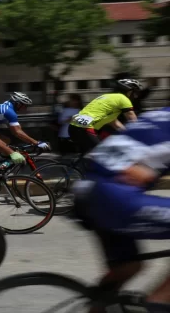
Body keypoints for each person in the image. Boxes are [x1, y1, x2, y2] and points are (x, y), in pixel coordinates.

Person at [73, 107, 170, 312]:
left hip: (87, 190)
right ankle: (160, 304)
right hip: (115, 195)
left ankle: (97, 306)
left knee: (128, 266)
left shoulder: (157, 114)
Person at [68, 79, 141, 155]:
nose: (136, 96)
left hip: (74, 127)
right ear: (130, 91)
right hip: (85, 128)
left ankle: (78, 166)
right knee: (103, 154)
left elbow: (115, 123)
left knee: (100, 152)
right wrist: (140, 136)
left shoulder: (107, 97)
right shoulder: (124, 99)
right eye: (135, 92)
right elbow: (133, 120)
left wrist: (126, 134)